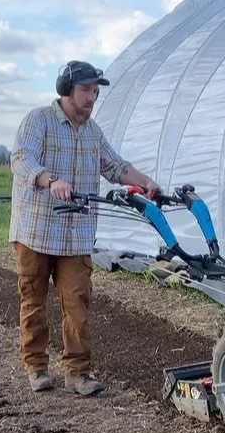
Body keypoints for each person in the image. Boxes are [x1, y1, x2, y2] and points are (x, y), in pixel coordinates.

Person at [10, 60, 161, 395]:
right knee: (33, 300)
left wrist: (147, 182)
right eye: (85, 90)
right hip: (36, 230)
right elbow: (21, 159)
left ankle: (77, 373)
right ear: (66, 90)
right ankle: (36, 367)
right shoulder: (39, 121)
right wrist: (50, 180)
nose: (91, 98)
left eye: (95, 92)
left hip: (76, 233)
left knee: (77, 302)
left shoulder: (93, 133)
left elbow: (115, 166)